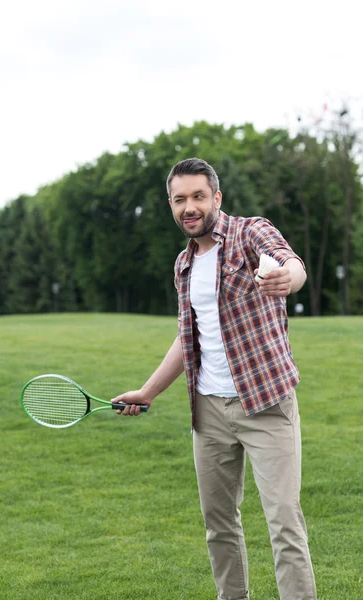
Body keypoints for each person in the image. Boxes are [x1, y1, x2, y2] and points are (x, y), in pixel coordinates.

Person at [113, 158, 317, 600]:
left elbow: (289, 262)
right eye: (180, 199)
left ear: (216, 198)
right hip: (208, 411)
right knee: (219, 525)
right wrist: (147, 392)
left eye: (198, 197)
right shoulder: (183, 266)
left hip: (265, 403)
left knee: (284, 520)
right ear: (170, 204)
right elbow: (189, 338)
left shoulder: (249, 233)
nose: (190, 207)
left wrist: (288, 277)